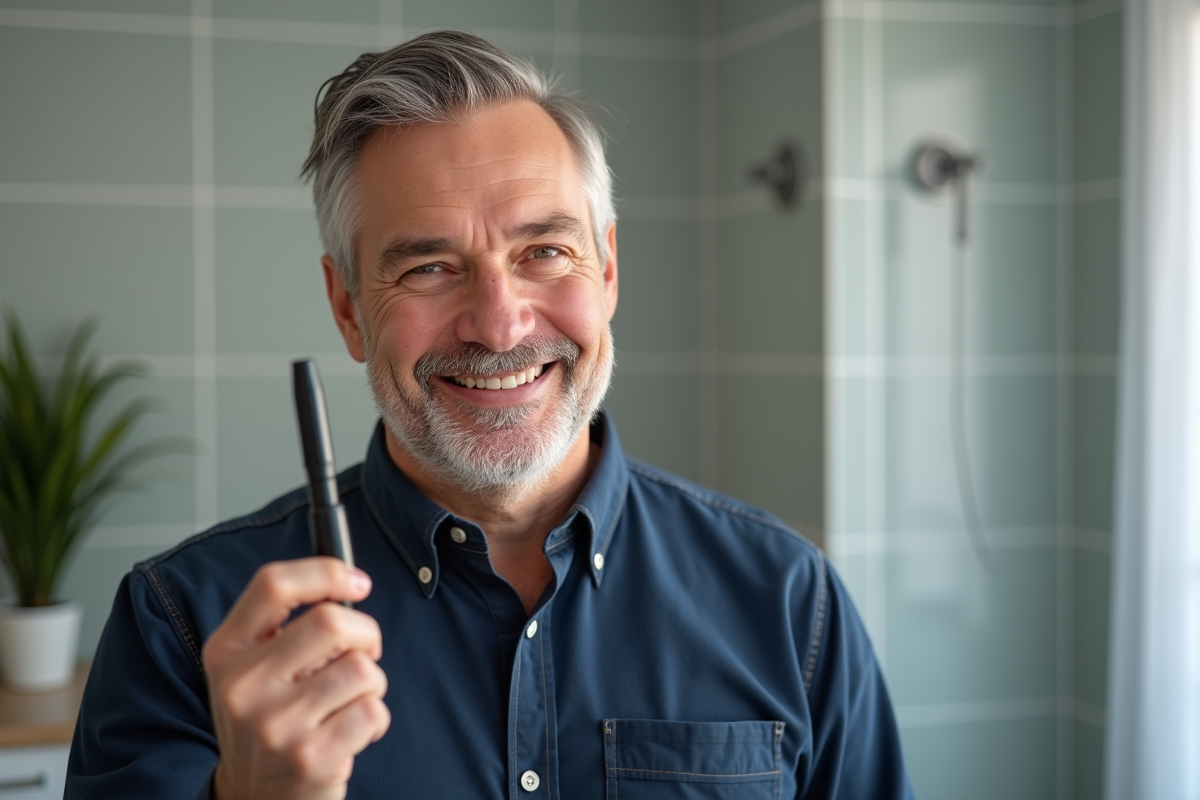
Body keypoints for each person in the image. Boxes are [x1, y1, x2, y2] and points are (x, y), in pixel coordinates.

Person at [66, 30, 913, 800]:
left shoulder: (792, 603)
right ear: (349, 309)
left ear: (607, 270)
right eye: (430, 267)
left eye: (544, 251)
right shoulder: (180, 626)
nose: (501, 322)